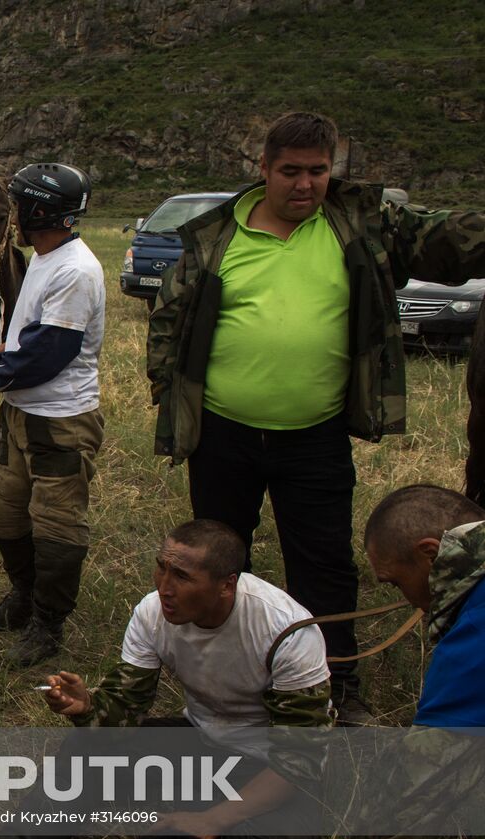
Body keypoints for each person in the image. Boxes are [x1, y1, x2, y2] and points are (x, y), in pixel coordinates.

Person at [147, 111, 485, 724]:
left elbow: (453, 238)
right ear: (264, 170)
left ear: (334, 169)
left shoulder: (358, 224)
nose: (305, 184)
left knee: (323, 563)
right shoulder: (217, 235)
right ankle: (232, 683)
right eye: (291, 172)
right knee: (222, 563)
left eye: (319, 171)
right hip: (222, 433)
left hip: (316, 437)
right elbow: (170, 320)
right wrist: (163, 389)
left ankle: (335, 686)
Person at [0, 520, 332, 839]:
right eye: (161, 568)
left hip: (270, 763)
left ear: (227, 585)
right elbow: (122, 713)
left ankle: (197, 821)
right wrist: (88, 709)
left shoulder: (286, 632)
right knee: (88, 749)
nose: (164, 586)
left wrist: (215, 819)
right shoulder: (153, 613)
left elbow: (297, 759)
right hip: (204, 742)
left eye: (182, 576)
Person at [302, 485, 485, 839]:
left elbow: (427, 775)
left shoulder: (476, 634)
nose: (406, 598)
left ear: (429, 554)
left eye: (396, 580)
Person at [0, 162, 106, 666]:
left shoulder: (74, 270)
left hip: (59, 420)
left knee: (57, 524)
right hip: (21, 414)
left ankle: (48, 623)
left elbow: (47, 354)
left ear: (39, 209)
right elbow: (31, 337)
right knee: (2, 513)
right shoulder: (42, 256)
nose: (12, 215)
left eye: (19, 205)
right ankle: (22, 597)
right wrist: (4, 347)